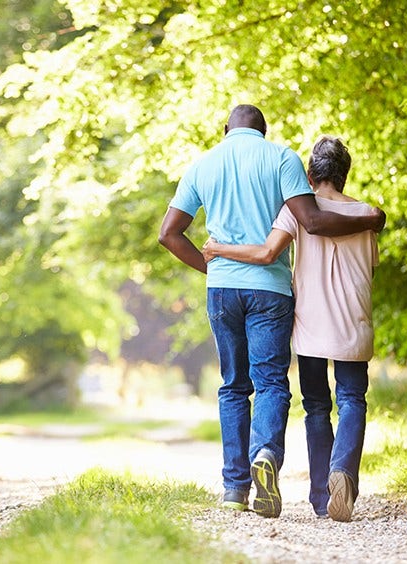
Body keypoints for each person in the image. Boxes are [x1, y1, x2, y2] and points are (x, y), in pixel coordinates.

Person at [158, 106, 385, 518]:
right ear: (263, 131)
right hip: (284, 298)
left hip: (235, 292)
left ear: (225, 129)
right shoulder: (282, 159)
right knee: (279, 386)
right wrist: (373, 215)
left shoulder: (202, 165)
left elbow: (169, 234)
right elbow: (320, 229)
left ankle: (237, 489)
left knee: (237, 387)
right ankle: (280, 457)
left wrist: (214, 263)